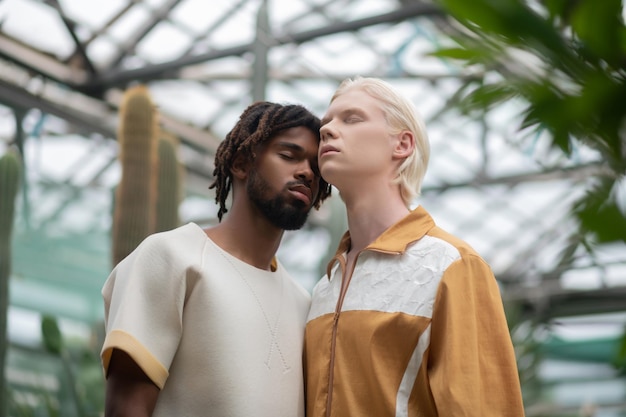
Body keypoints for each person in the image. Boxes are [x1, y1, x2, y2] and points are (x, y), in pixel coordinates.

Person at [304, 77, 525, 416]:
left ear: (403, 144)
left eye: (351, 119)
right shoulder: (324, 287)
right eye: (326, 123)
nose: (327, 130)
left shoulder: (451, 265)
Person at [100, 101, 332, 417]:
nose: (306, 172)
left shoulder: (304, 304)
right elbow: (127, 408)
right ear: (240, 164)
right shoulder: (172, 258)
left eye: (316, 169)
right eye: (288, 155)